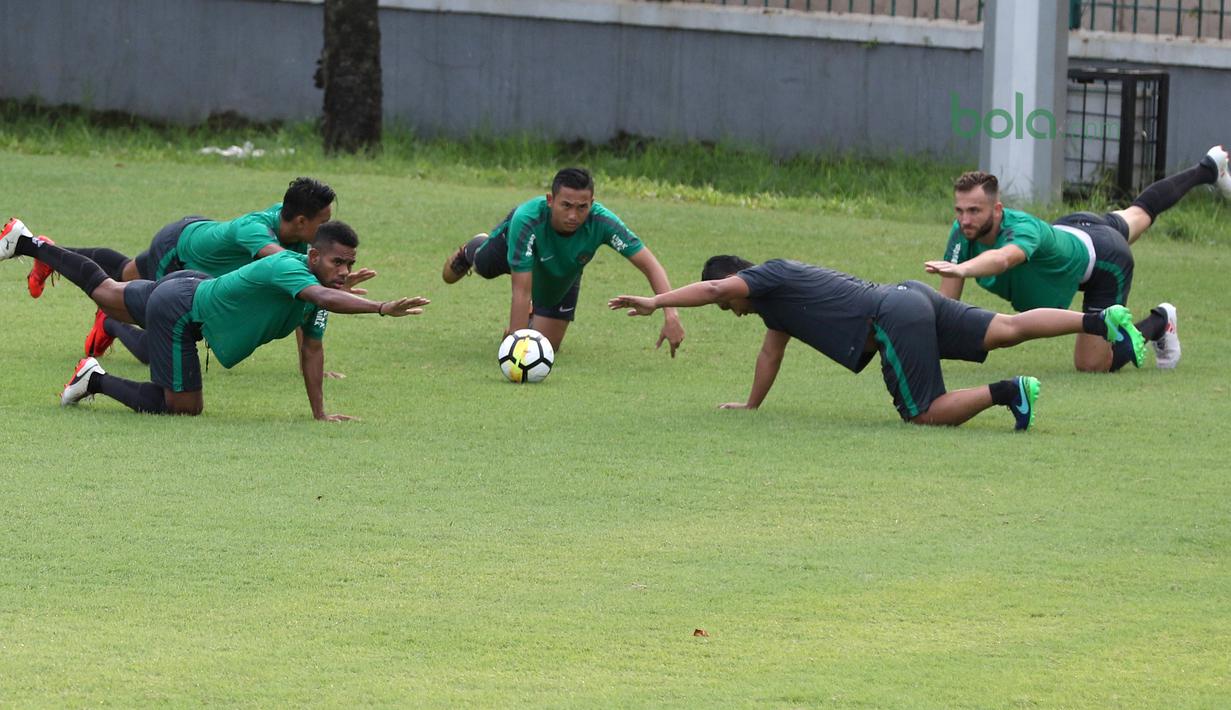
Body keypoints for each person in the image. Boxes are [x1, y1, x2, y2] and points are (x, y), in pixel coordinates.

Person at [609, 256, 1147, 431]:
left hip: (891, 314)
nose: (734, 309)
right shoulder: (777, 303)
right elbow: (770, 353)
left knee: (923, 412)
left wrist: (658, 303)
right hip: (909, 297)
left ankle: (1010, 391)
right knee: (1006, 327)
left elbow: (713, 287)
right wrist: (751, 404)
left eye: (732, 304)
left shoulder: (764, 278)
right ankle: (1097, 320)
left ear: (739, 284)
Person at [2, 217, 427, 420]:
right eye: (338, 262)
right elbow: (321, 294)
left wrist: (319, 414)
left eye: (349, 265)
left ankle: (28, 242)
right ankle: (93, 380)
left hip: (188, 290)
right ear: (314, 255)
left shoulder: (317, 290)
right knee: (184, 409)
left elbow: (313, 351)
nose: (344, 272)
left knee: (105, 292)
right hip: (183, 311)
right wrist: (381, 308)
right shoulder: (294, 271)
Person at [925, 146, 1231, 372]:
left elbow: (1004, 259)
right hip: (1076, 227)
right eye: (960, 210)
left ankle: (1160, 321)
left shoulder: (1022, 231)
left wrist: (962, 268)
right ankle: (1207, 168)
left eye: (974, 211)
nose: (965, 220)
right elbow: (947, 309)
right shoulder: (963, 232)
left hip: (1104, 263)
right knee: (1140, 213)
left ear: (997, 210)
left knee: (1092, 365)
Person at [24, 177, 374, 360]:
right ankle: (105, 313)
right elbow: (293, 279)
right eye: (324, 221)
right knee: (150, 330)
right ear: (300, 220)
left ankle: (50, 254)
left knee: (124, 274)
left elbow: (301, 299)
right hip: (178, 251)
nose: (328, 228)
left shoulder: (301, 238)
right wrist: (333, 287)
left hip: (196, 257)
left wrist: (328, 287)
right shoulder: (257, 231)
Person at [440, 167, 685, 355]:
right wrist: (516, 345)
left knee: (547, 347)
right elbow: (521, 291)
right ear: (550, 200)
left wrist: (671, 316)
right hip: (511, 248)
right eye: (566, 205)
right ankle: (472, 249)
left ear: (592, 203)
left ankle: (534, 316)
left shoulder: (602, 222)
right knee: (482, 267)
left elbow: (650, 265)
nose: (573, 215)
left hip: (561, 268)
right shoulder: (527, 219)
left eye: (582, 207)